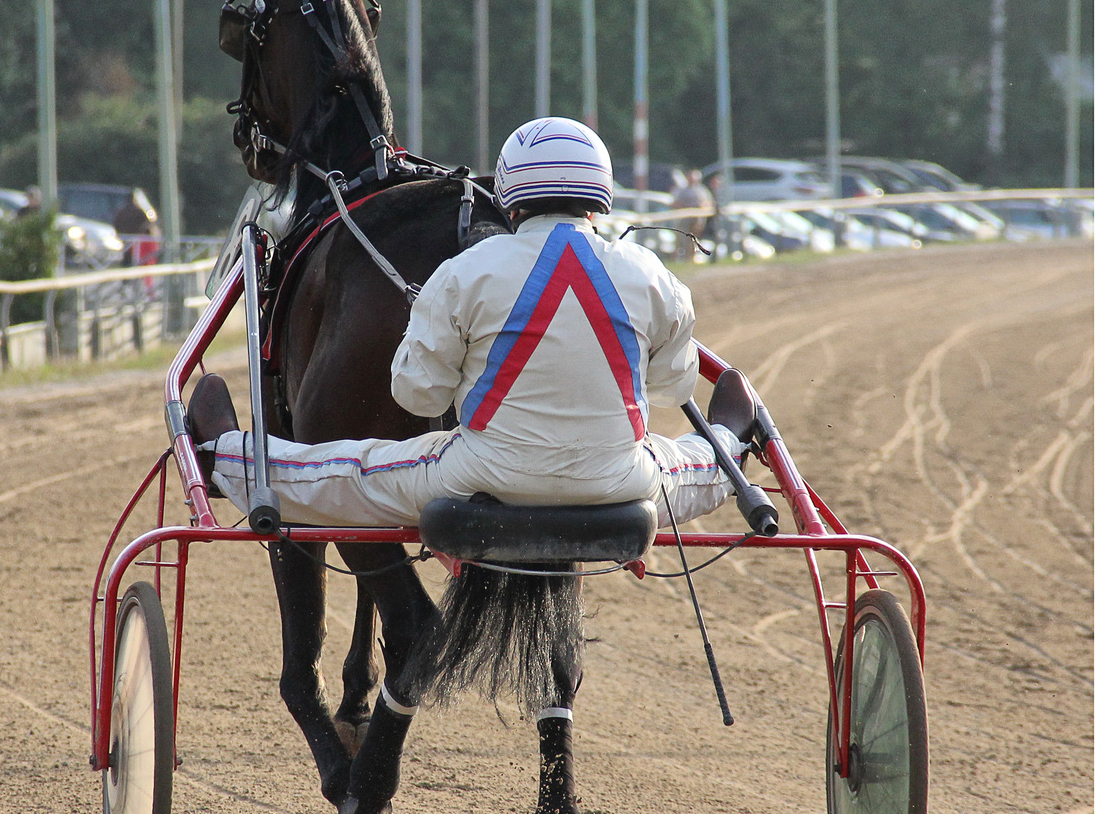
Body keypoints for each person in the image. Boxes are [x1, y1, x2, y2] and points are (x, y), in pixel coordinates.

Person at [185, 116, 758, 531]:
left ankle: (223, 452)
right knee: (692, 465)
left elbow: (415, 393)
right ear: (600, 197)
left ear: (508, 198)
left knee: (344, 471)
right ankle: (733, 436)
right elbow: (673, 388)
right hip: (621, 481)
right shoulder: (653, 277)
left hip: (480, 477)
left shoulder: (464, 273)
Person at [670, 168, 714, 262]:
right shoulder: (681, 190)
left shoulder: (702, 190)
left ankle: (692, 257)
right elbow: (674, 203)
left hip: (697, 219)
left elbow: (708, 203)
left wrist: (701, 207)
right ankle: (680, 258)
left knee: (694, 238)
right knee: (682, 238)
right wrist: (685, 207)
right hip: (684, 218)